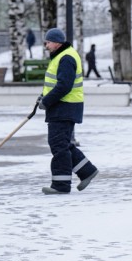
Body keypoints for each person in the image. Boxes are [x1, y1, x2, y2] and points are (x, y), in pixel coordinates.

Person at [38, 28, 99, 194]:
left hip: (64, 107)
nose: (46, 45)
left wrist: (47, 101)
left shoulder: (66, 58)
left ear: (57, 42)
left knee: (59, 145)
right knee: (62, 144)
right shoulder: (62, 56)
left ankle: (61, 185)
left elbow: (64, 85)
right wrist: (43, 97)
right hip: (63, 107)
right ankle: (87, 171)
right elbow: (54, 84)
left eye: (48, 42)